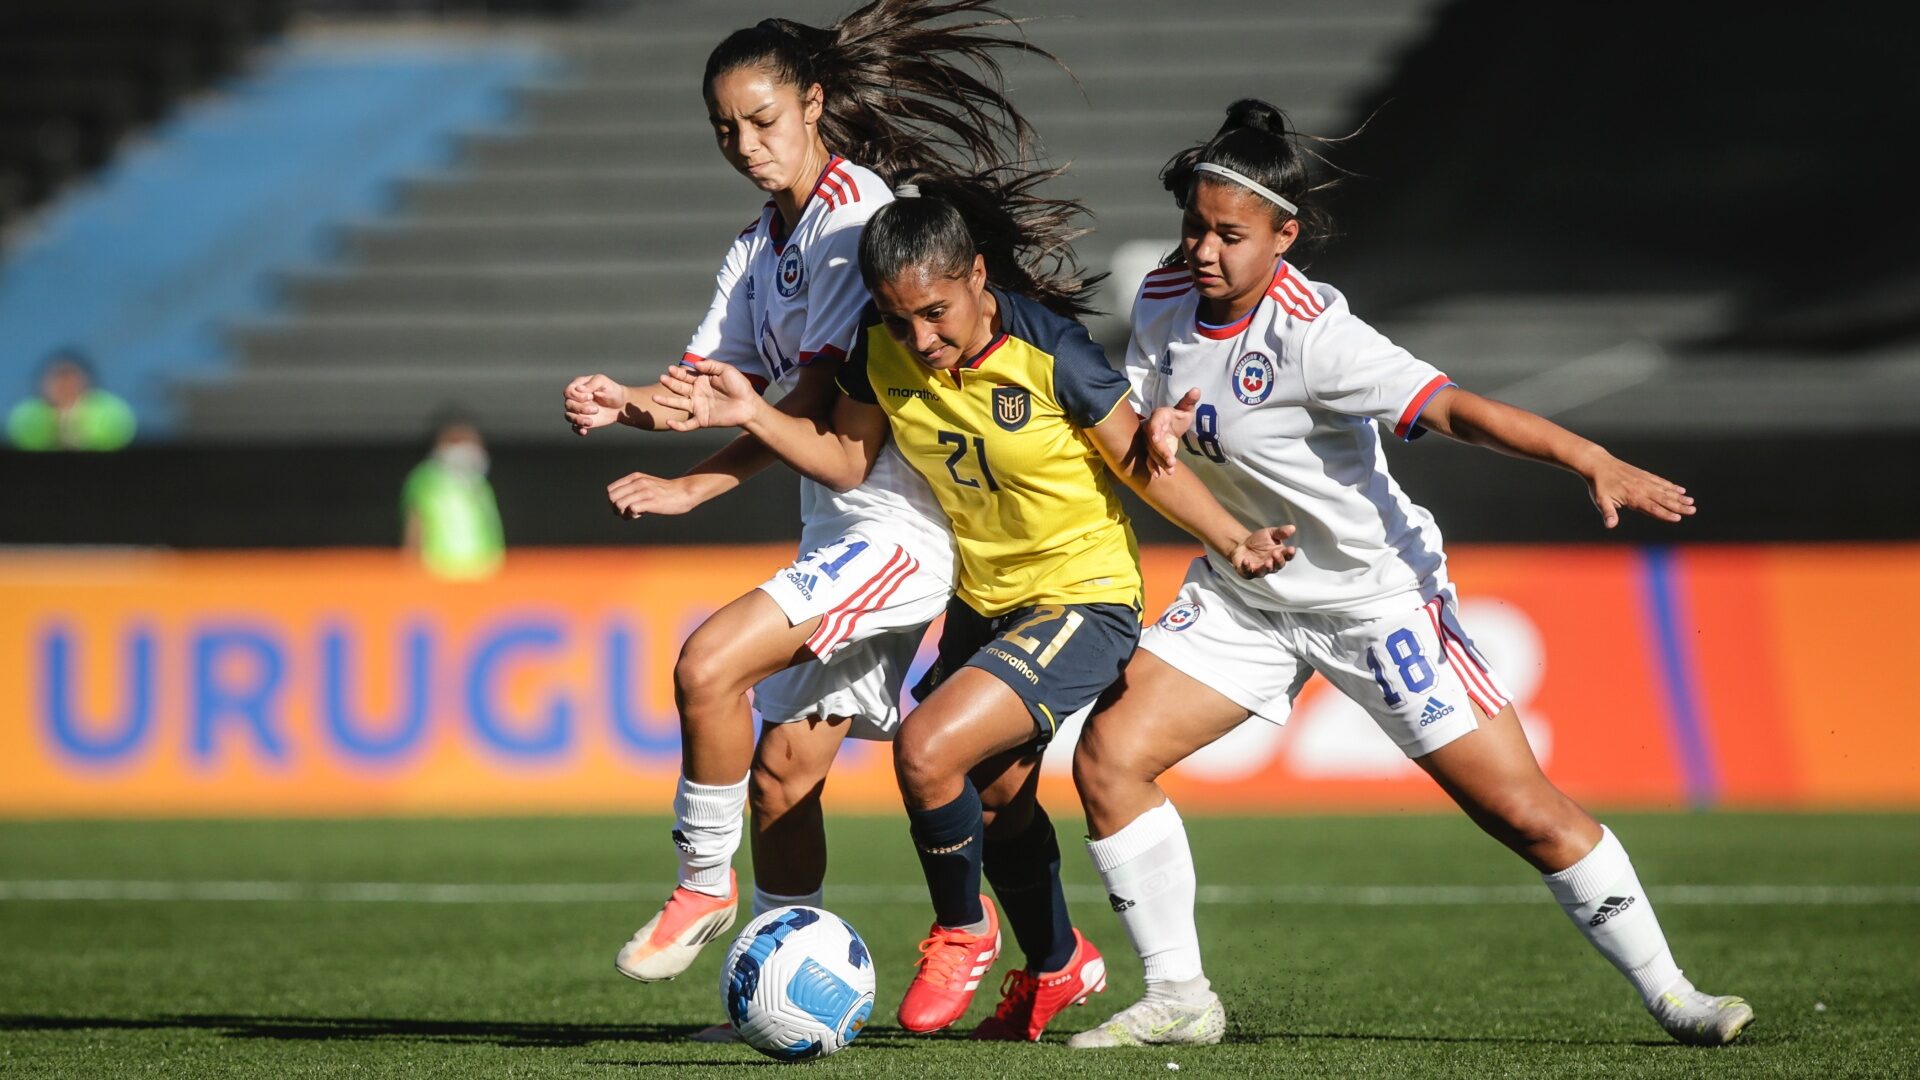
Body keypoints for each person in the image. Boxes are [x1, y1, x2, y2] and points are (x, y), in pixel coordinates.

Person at [1064, 99, 1751, 1050]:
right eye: (1196, 227)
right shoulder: (1165, 295)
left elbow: (1456, 411)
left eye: (1231, 234)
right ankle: (1181, 996)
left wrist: (1588, 457)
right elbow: (1147, 414)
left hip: (1374, 602)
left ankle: (1676, 994)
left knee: (1523, 812)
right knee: (1109, 758)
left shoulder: (1317, 335)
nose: (1206, 250)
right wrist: (1160, 424)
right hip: (1249, 594)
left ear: (1284, 236)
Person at [655, 169, 1295, 1039]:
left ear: (977, 279)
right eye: (896, 315)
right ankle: (1060, 962)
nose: (918, 337)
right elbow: (845, 461)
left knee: (926, 752)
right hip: (984, 600)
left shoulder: (1051, 352)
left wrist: (1232, 539)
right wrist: (753, 416)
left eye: (935, 313)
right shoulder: (877, 349)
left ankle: (962, 930)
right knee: (996, 800)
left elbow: (1139, 463)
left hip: (1083, 596)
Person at [555, 2, 1065, 1026]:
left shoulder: (854, 215)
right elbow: (715, 382)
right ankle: (777, 986)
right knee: (782, 775)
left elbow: (824, 409)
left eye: (762, 120)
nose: (746, 146)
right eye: (725, 130)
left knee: (707, 662)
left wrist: (702, 477)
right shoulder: (758, 241)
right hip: (837, 527)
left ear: (814, 104)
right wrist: (631, 405)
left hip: (896, 532)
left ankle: (703, 884)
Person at [402, 414, 504, 580]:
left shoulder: (480, 485)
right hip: (438, 576)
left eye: (472, 442)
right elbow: (415, 526)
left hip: (482, 577)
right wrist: (412, 572)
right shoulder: (425, 478)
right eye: (458, 440)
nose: (467, 448)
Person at [6, 348, 136, 451]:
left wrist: (77, 427)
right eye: (57, 378)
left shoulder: (109, 412)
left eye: (71, 378)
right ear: (42, 384)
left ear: (87, 382)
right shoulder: (28, 415)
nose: (65, 386)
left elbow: (116, 438)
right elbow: (24, 439)